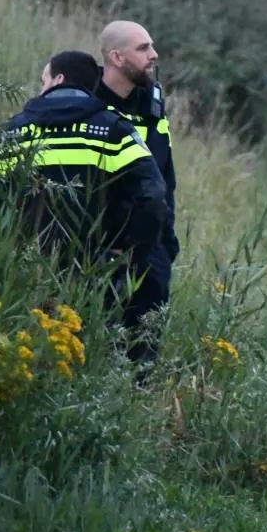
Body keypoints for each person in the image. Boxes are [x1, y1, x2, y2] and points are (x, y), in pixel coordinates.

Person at [0, 49, 169, 282]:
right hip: (90, 275)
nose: (42, 89)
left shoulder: (11, 132)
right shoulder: (115, 130)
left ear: (59, 80)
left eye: (44, 81)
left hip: (14, 275)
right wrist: (132, 251)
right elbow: (153, 195)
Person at [93, 20, 179, 370]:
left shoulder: (153, 103)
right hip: (101, 247)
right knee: (99, 342)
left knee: (144, 351)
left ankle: (141, 407)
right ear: (116, 57)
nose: (154, 55)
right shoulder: (89, 104)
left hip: (151, 247)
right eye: (143, 49)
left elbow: (166, 177)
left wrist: (166, 243)